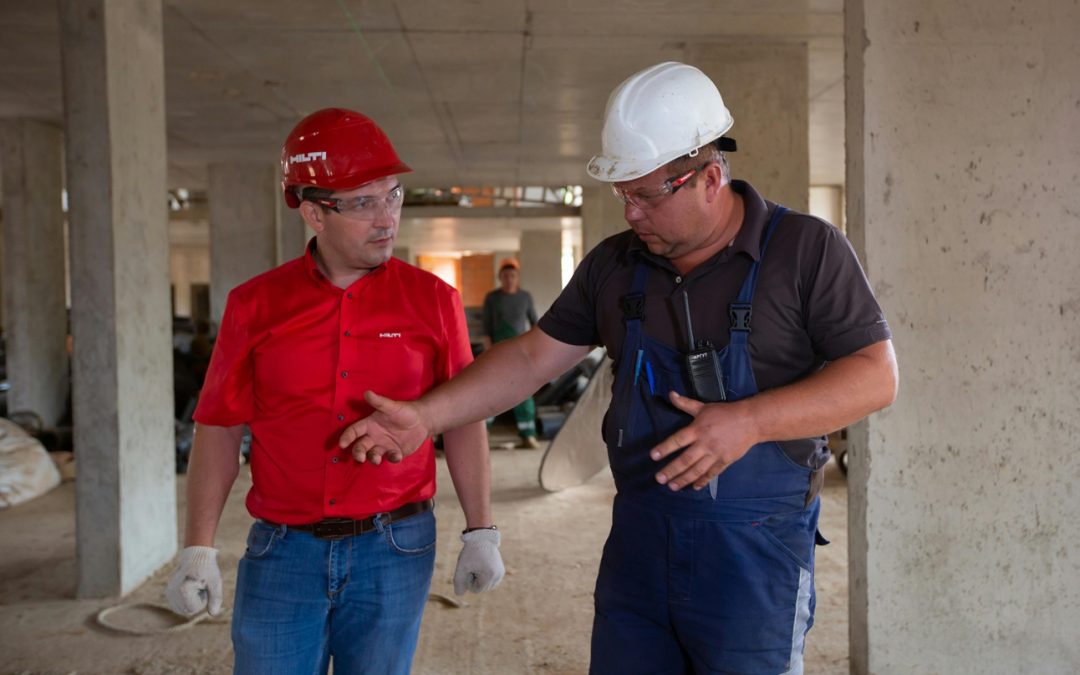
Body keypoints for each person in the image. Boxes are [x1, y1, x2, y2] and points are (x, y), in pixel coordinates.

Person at [339, 62, 898, 674]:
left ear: (708, 178)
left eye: (645, 195)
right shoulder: (615, 266)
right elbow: (531, 359)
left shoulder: (806, 250)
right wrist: (426, 414)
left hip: (755, 548)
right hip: (639, 541)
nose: (630, 214)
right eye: (622, 194)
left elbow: (876, 374)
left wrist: (750, 422)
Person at [165, 108, 505, 675]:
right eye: (362, 203)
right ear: (314, 211)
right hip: (282, 553)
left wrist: (482, 530)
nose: (386, 219)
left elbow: (465, 419)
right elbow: (220, 426)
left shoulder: (433, 301)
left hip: (395, 547)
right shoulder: (255, 305)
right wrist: (198, 550)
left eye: (392, 196)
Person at [481, 257, 540, 448]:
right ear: (500, 277)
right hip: (498, 350)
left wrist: (535, 349)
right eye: (505, 276)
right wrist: (488, 352)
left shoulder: (525, 297)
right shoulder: (492, 298)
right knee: (491, 391)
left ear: (517, 277)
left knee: (524, 392)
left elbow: (535, 324)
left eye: (512, 276)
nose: (509, 279)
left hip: (520, 351)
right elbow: (486, 328)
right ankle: (483, 434)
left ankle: (528, 434)